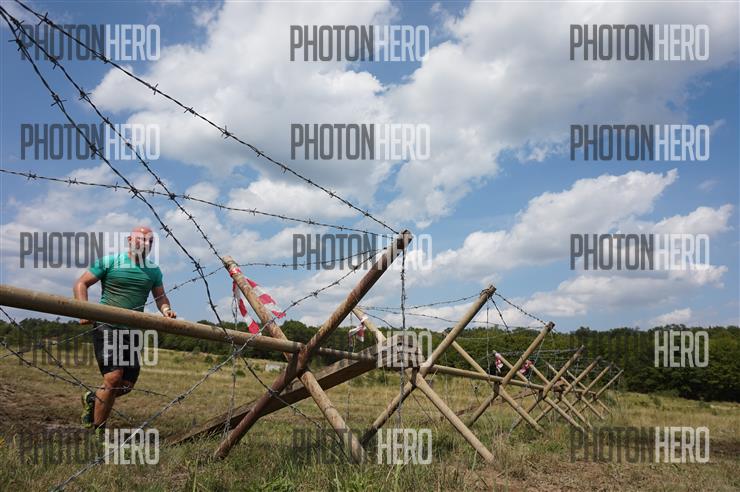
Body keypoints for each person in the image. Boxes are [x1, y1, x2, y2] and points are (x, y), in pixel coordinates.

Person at [73, 226, 176, 434]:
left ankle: (93, 399)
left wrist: (166, 310)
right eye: (141, 239)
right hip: (107, 325)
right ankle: (98, 431)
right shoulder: (110, 261)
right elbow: (81, 283)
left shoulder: (153, 270)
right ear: (129, 240)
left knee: (126, 385)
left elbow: (160, 297)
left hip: (132, 331)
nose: (145, 244)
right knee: (113, 378)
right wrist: (83, 309)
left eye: (150, 241)